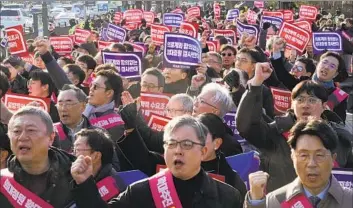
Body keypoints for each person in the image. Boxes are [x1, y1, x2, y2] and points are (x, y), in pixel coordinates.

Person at [71, 116, 243, 208]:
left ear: (203, 151)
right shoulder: (142, 191)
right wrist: (85, 183)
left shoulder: (227, 196)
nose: (178, 150)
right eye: (172, 144)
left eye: (187, 144)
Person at [236, 63, 353, 192]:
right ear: (292, 105)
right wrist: (256, 85)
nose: (305, 105)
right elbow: (246, 126)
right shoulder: (274, 133)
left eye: (312, 100)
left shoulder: (341, 138)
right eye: (300, 100)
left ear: (324, 106)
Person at [245, 119, 353, 208]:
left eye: (319, 155)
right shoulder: (275, 201)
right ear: (292, 157)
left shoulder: (350, 200)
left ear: (333, 159)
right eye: (304, 156)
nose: (311, 163)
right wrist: (255, 203)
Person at [0, 106, 76, 207]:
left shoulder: (75, 177)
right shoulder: (3, 180)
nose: (22, 137)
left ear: (50, 137)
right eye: (16, 131)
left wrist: (87, 185)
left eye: (31, 130)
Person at [73, 128, 127, 201]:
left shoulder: (114, 189)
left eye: (78, 149)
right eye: (74, 149)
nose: (73, 154)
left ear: (96, 156)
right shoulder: (74, 178)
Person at [312, 51, 349, 122]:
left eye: (332, 66)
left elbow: (339, 125)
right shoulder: (302, 85)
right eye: (324, 62)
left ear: (336, 74)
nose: (326, 67)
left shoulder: (339, 96)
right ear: (318, 64)